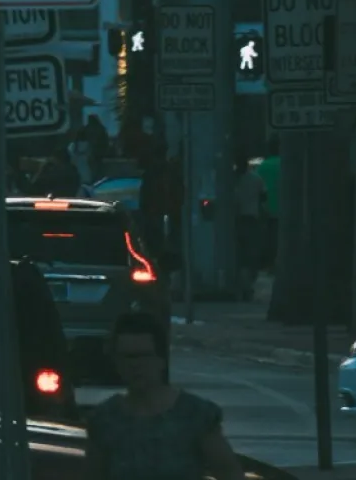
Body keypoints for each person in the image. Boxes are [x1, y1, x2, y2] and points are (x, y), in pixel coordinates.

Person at [86, 310, 244, 480]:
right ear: (116, 361)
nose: (135, 365)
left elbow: (228, 472)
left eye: (144, 356)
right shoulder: (105, 420)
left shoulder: (195, 415)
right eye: (127, 357)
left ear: (161, 359)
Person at [234, 158, 266, 291]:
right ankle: (248, 281)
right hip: (252, 217)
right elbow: (264, 196)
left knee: (238, 251)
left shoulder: (230, 179)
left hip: (235, 219)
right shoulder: (256, 179)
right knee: (251, 251)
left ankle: (240, 279)